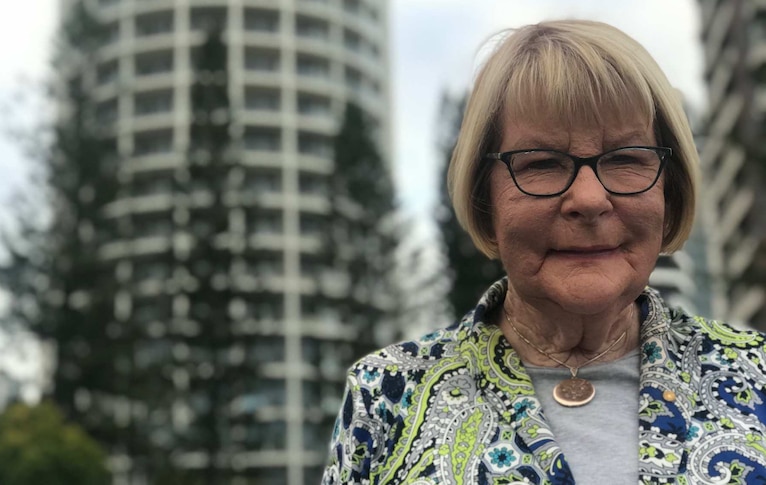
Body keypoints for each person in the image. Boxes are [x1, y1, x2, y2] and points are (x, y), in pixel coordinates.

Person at [322, 19, 766, 485]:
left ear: (668, 194)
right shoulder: (387, 394)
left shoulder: (755, 374)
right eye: (543, 164)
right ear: (485, 198)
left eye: (626, 158)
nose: (590, 200)